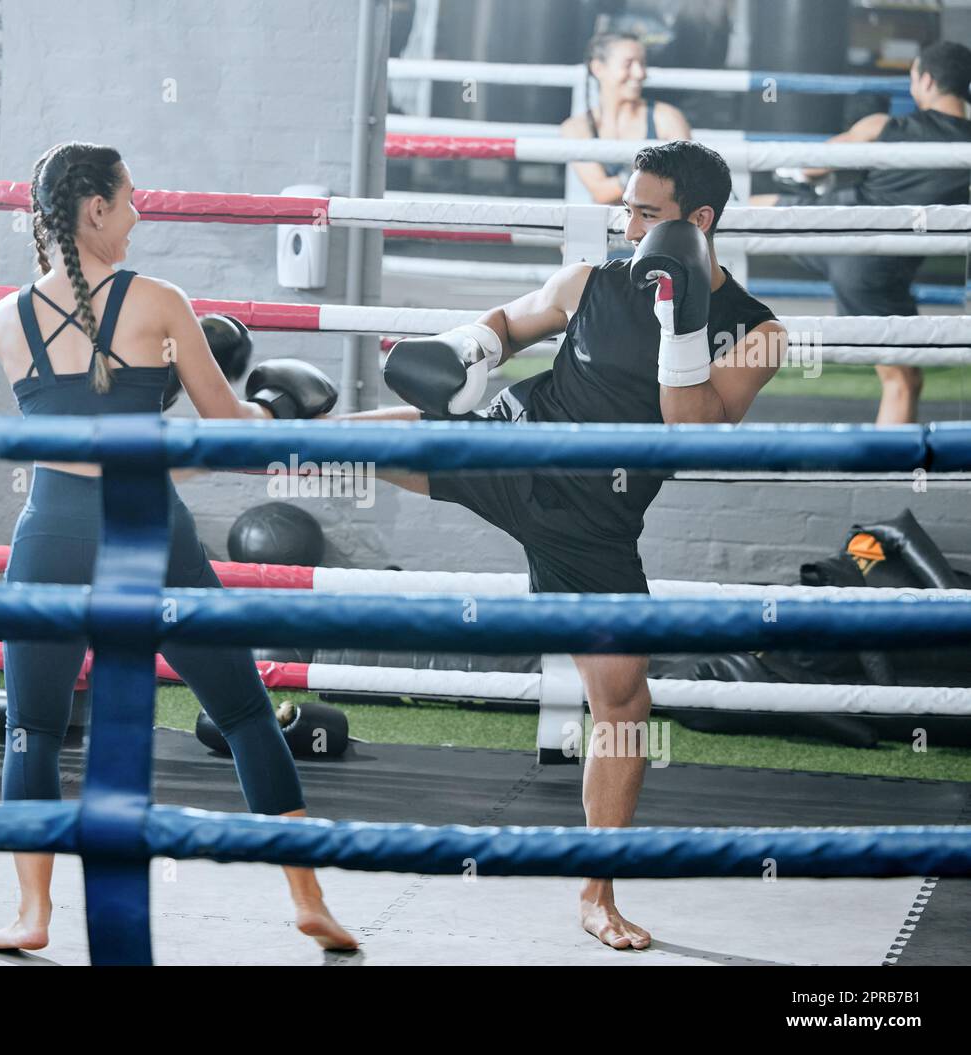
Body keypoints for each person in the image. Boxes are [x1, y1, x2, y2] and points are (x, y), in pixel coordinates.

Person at [346, 141, 786, 950]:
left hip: (596, 524)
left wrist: (677, 317)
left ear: (699, 222)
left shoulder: (758, 332)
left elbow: (696, 434)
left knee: (622, 703)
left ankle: (597, 893)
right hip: (511, 450)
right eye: (624, 207)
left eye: (644, 212)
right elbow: (514, 322)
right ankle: (216, 444)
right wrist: (470, 349)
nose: (625, 225)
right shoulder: (590, 280)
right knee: (337, 445)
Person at [0, 141, 356, 954]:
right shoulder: (159, 300)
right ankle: (308, 898)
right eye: (130, 199)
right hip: (148, 529)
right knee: (247, 710)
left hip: (49, 532)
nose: (140, 212)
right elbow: (228, 435)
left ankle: (34, 914)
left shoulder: (5, 319)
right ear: (96, 211)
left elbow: (79, 429)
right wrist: (276, 411)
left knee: (33, 730)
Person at [751, 41, 971, 425]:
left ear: (928, 80)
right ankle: (888, 478)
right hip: (874, 265)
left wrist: (808, 173)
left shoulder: (884, 126)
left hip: (833, 225)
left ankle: (672, 241)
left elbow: (813, 163)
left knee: (747, 208)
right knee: (902, 379)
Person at [560, 31, 692, 205]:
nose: (639, 73)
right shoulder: (576, 127)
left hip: (661, 228)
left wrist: (628, 178)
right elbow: (600, 193)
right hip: (608, 228)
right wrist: (654, 169)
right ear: (598, 68)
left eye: (642, 64)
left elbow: (685, 182)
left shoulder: (667, 118)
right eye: (628, 64)